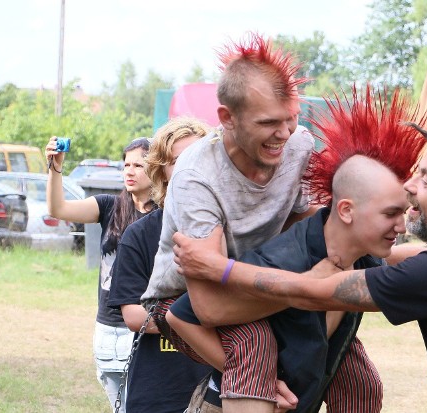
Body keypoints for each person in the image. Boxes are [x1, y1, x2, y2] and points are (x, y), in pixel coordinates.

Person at [173, 88, 427, 413]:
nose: (411, 187)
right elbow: (403, 260)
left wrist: (218, 267)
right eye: (417, 173)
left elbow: (313, 292)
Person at [166, 86, 427, 413]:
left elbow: (397, 265)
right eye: (391, 214)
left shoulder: (363, 254)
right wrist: (262, 383)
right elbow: (185, 314)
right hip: (224, 369)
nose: (402, 227)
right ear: (346, 210)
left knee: (362, 384)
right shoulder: (285, 258)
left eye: (402, 213)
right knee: (254, 350)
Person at [140, 32, 317, 413]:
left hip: (257, 281)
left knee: (358, 375)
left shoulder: (300, 145)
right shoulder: (196, 175)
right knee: (253, 346)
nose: (285, 134)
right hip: (182, 298)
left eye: (292, 118)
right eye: (270, 122)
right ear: (227, 118)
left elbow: (301, 231)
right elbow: (208, 307)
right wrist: (302, 292)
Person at [107, 118, 214, 413]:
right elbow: (133, 315)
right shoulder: (139, 235)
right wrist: (207, 314)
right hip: (159, 390)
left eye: (199, 158)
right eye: (178, 161)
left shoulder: (233, 231)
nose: (190, 169)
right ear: (161, 171)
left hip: (221, 388)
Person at [46, 136, 156, 412]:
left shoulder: (167, 215)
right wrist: (55, 168)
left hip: (146, 328)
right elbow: (58, 209)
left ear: (156, 168)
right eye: (126, 164)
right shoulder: (110, 206)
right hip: (107, 328)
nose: (129, 171)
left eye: (138, 165)